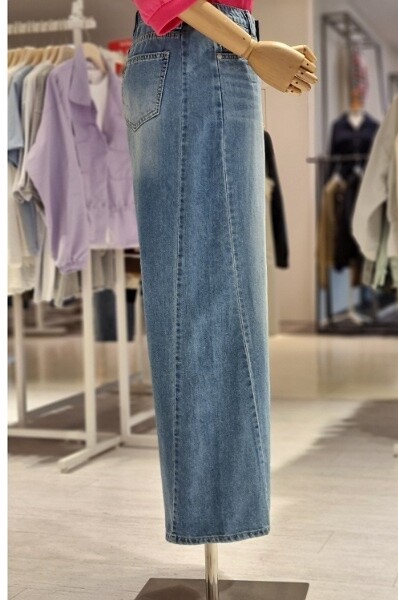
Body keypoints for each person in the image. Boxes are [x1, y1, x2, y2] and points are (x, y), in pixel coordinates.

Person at [122, 0, 318, 545]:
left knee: (212, 292)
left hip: (201, 53)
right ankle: (212, 514)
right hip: (199, 52)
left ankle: (214, 513)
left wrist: (249, 46)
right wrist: (247, 46)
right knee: (210, 298)